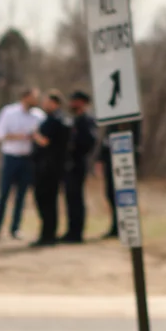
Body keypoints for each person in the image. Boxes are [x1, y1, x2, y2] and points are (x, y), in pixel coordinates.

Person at [0, 88, 42, 239]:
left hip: (28, 159)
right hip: (11, 157)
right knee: (3, 194)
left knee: (21, 196)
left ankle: (15, 228)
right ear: (25, 97)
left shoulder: (38, 116)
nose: (35, 101)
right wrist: (21, 136)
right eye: (32, 97)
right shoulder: (9, 112)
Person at [31, 90, 69, 247]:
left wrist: (35, 135)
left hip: (48, 168)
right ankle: (47, 233)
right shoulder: (53, 119)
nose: (44, 104)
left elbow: (46, 141)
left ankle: (48, 234)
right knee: (45, 201)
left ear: (54, 103)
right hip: (48, 167)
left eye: (46, 101)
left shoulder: (55, 120)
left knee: (46, 201)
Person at [62, 90, 97, 243]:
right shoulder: (74, 119)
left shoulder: (87, 120)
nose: (71, 104)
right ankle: (71, 230)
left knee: (76, 198)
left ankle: (77, 233)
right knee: (70, 198)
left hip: (79, 163)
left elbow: (89, 142)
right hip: (69, 163)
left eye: (74, 101)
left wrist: (75, 150)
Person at [98, 119, 143, 239]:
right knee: (111, 194)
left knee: (125, 195)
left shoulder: (132, 118)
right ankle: (116, 226)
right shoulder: (110, 119)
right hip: (110, 159)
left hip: (125, 160)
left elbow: (136, 140)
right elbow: (105, 140)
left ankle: (128, 226)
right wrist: (100, 158)